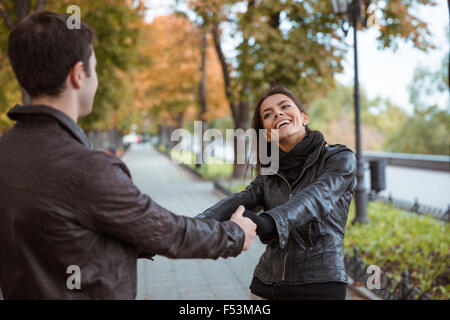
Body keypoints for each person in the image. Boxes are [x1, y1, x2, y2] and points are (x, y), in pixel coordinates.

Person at [0, 11, 256, 300]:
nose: (95, 80)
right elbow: (169, 232)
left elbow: (61, 234)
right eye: (94, 69)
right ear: (77, 75)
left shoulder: (6, 150)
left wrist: (139, 236)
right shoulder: (88, 170)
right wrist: (235, 235)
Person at [196, 85, 357, 300]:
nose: (277, 114)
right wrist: (190, 227)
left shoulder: (338, 158)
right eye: (268, 114)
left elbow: (316, 198)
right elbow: (241, 200)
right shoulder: (270, 174)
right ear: (267, 135)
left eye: (284, 107)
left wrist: (268, 222)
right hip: (266, 283)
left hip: (319, 284)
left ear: (304, 118)